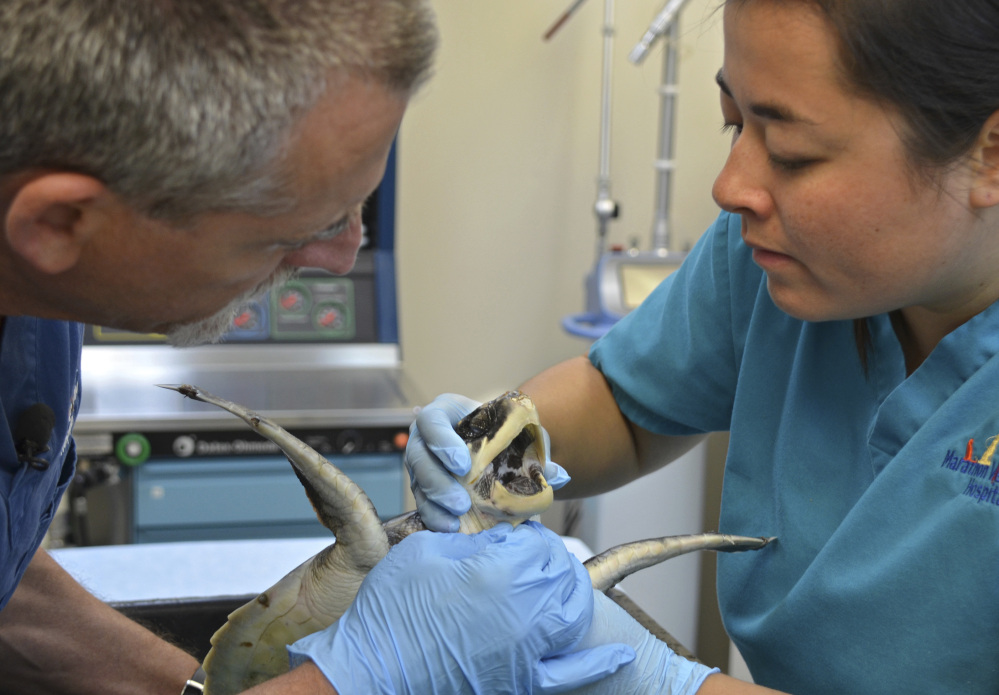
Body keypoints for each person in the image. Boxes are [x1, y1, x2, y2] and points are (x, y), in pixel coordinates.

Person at [0, 2, 634, 694]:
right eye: (303, 227)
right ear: (61, 223)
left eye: (358, 204)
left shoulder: (37, 292)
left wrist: (204, 687)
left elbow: (8, 586)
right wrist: (343, 682)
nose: (341, 258)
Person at [407, 0, 999, 693]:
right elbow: (625, 405)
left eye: (790, 152)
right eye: (733, 121)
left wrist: (665, 682)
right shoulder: (775, 262)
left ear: (988, 156)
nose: (729, 188)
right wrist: (498, 441)